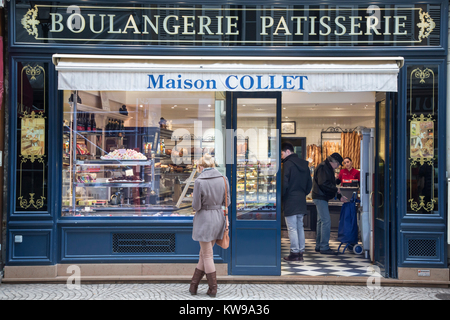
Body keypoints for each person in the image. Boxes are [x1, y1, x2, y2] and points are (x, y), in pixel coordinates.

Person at [189, 154, 230, 298]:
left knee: (207, 255)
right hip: (218, 218)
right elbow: (228, 202)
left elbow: (196, 206)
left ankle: (213, 289)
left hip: (205, 219)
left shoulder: (200, 181)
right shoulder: (224, 179)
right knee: (204, 253)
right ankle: (193, 286)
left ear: (201, 166)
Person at [281, 142, 312, 262]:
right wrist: (302, 193)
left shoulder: (287, 165)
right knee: (300, 227)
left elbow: (284, 184)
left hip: (290, 200)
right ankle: (300, 252)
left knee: (292, 228)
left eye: (282, 153)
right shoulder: (305, 164)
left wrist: (282, 197)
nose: (282, 156)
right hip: (301, 200)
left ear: (288, 151)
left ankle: (294, 252)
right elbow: (309, 184)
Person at [312, 152, 347, 255]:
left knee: (321, 221)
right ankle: (324, 247)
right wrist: (336, 189)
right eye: (338, 164)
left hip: (320, 196)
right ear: (334, 162)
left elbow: (328, 183)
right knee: (326, 221)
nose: (338, 167)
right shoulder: (323, 167)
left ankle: (319, 246)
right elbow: (323, 184)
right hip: (320, 196)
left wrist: (339, 196)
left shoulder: (326, 167)